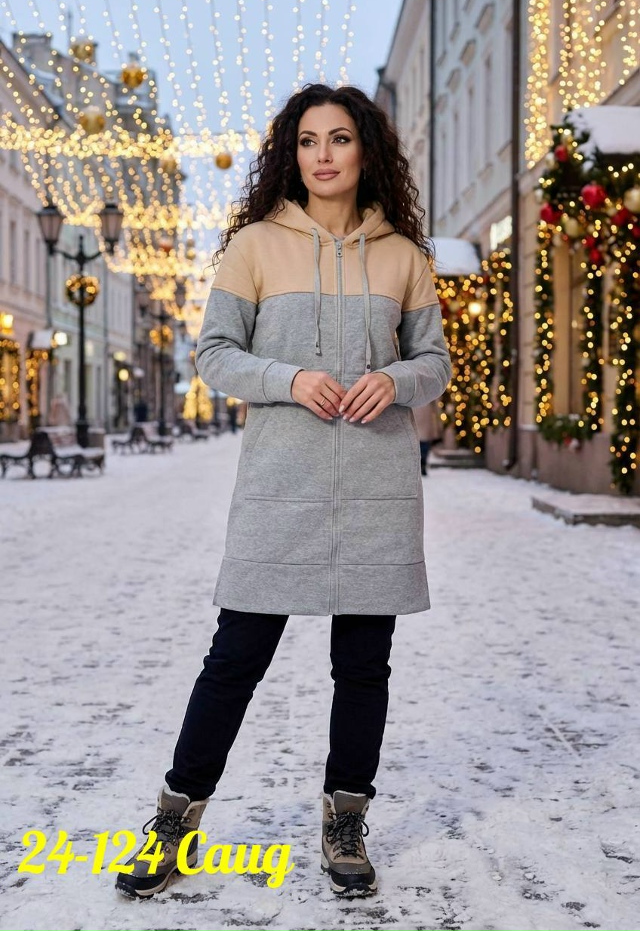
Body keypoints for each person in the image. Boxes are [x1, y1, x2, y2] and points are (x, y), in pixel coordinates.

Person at [116, 83, 451, 901]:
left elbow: (435, 361)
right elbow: (215, 354)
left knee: (363, 666)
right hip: (280, 486)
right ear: (290, 154)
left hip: (374, 488)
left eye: (339, 138)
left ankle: (346, 820)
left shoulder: (404, 255)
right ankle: (175, 820)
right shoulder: (256, 245)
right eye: (307, 141)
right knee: (234, 660)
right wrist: (289, 378)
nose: (323, 155)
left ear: (366, 148)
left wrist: (396, 380)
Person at [413, 399, 444, 475]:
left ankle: (420, 463)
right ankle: (422, 463)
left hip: (416, 413)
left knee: (420, 441)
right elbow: (436, 405)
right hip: (425, 414)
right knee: (424, 441)